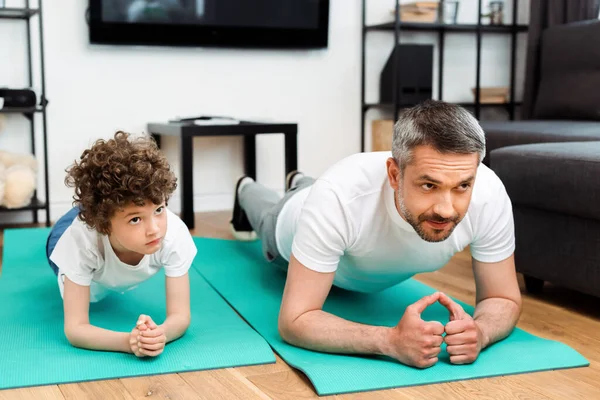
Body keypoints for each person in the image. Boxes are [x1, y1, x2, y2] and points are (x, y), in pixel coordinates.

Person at [230, 100, 522, 369]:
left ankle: (300, 179)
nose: (446, 210)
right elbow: (295, 320)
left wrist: (480, 332)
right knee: (265, 210)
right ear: (394, 175)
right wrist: (390, 341)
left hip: (331, 214)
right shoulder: (338, 197)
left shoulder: (488, 193)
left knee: (310, 187)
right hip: (287, 227)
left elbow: (503, 297)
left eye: (461, 186)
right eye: (429, 186)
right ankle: (245, 187)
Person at [46, 131, 197, 357]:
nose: (154, 228)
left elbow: (181, 316)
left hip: (103, 217)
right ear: (104, 225)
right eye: (136, 219)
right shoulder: (80, 241)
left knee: (116, 206)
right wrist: (128, 342)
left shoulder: (173, 233)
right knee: (80, 221)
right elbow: (75, 329)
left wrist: (158, 335)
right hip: (70, 230)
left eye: (159, 209)